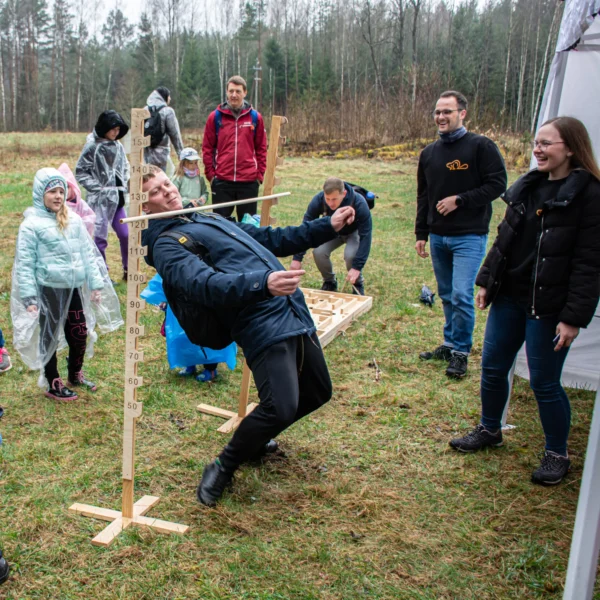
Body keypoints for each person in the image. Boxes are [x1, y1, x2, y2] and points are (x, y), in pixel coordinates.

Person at [140, 166, 356, 506]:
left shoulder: (202, 218)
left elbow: (270, 239)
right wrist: (263, 284)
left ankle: (254, 440)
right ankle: (224, 465)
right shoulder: (166, 245)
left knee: (317, 391)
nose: (167, 191)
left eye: (166, 183)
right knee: (281, 408)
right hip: (257, 316)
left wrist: (326, 226)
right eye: (155, 191)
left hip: (289, 306)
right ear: (144, 207)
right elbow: (203, 285)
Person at [449, 116, 600, 486]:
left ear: (571, 148)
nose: (538, 149)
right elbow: (505, 239)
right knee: (493, 367)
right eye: (536, 143)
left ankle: (556, 453)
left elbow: (589, 263)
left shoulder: (590, 194)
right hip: (510, 297)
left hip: (550, 307)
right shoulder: (528, 186)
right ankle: (489, 429)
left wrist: (573, 317)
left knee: (544, 382)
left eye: (547, 143)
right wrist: (486, 281)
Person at [415, 90, 507, 378]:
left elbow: (498, 185)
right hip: (439, 237)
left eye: (448, 112)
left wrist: (460, 199)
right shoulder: (429, 154)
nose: (441, 117)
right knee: (445, 294)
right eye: (438, 112)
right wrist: (422, 232)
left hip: (469, 234)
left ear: (462, 113)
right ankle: (449, 342)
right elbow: (424, 196)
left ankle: (461, 353)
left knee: (461, 294)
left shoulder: (481, 147)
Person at [11, 168, 123, 400]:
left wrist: (95, 284)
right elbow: (25, 263)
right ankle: (53, 381)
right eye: (52, 191)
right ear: (40, 194)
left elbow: (88, 254)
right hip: (48, 289)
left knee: (79, 331)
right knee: (49, 336)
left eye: (62, 191)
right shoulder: (31, 225)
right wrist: (30, 297)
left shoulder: (73, 220)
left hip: (72, 288)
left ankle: (75, 373)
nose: (58, 196)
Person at [140, 273, 237, 382]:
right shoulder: (175, 259)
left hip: (204, 303)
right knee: (183, 336)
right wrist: (165, 298)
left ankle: (211, 369)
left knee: (208, 334)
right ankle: (189, 363)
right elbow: (165, 275)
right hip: (181, 304)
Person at [202, 75, 267, 222]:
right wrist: (211, 176)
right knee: (220, 227)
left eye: (238, 91)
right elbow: (207, 148)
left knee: (248, 227)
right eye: (231, 91)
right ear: (226, 92)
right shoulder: (215, 117)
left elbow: (262, 148)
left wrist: (259, 175)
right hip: (222, 181)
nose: (234, 95)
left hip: (249, 181)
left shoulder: (255, 118)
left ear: (245, 92)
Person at [290, 177, 372, 295]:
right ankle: (329, 282)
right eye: (327, 199)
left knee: (350, 256)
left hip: (353, 232)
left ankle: (357, 284)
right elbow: (305, 228)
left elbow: (366, 235)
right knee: (318, 252)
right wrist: (297, 258)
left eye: (334, 199)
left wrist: (357, 267)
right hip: (332, 230)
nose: (330, 203)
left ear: (343, 194)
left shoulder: (359, 202)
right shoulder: (318, 200)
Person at [75, 110, 130, 280]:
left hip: (117, 200)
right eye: (113, 128)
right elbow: (81, 171)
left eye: (119, 129)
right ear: (105, 128)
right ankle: (102, 273)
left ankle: (129, 269)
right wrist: (98, 188)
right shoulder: (92, 147)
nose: (116, 132)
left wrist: (126, 183)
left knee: (125, 234)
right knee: (99, 237)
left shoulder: (118, 146)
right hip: (99, 201)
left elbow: (125, 168)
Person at [144, 86, 184, 174]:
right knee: (165, 179)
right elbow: (175, 134)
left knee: (149, 180)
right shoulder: (167, 111)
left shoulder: (144, 110)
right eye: (169, 96)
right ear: (164, 96)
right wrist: (181, 153)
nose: (170, 98)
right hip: (162, 153)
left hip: (146, 153)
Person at [57, 162, 96, 236]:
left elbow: (90, 217)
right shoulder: (55, 204)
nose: (64, 191)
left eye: (67, 187)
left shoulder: (79, 203)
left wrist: (77, 223)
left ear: (72, 187)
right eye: (60, 187)